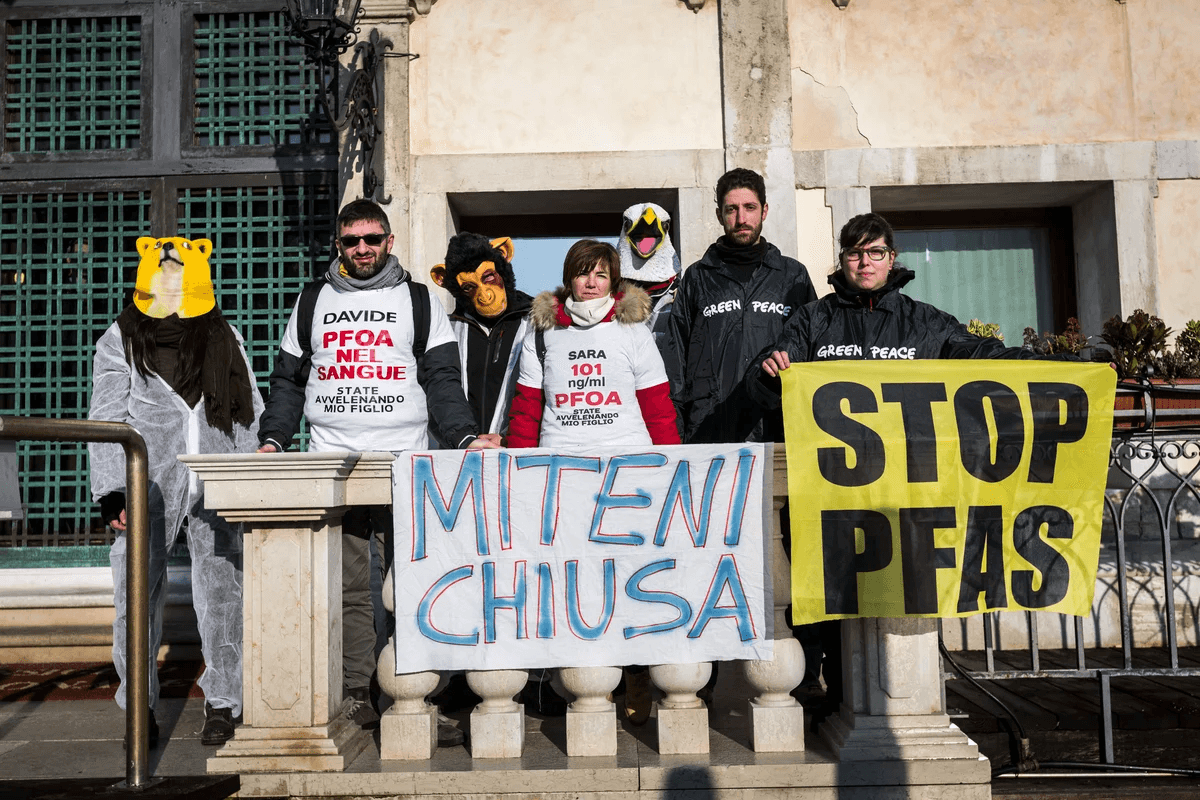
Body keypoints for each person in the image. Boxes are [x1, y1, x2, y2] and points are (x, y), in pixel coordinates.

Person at [752, 211, 1077, 725]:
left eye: (875, 252)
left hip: (902, 494)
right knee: (828, 600)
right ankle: (835, 706)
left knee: (900, 595)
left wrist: (1057, 368)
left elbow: (978, 355)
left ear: (891, 259)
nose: (865, 262)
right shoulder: (814, 319)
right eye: (855, 253)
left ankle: (897, 712)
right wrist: (771, 369)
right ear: (842, 260)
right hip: (830, 493)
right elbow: (770, 375)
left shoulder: (922, 320)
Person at [255, 199, 499, 746]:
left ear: (389, 241)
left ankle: (412, 692)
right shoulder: (312, 298)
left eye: (371, 238)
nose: (361, 248)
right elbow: (290, 381)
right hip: (332, 462)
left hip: (402, 460)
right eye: (350, 241)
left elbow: (440, 379)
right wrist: (273, 439)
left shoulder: (419, 299)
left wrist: (463, 436)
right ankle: (359, 692)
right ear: (338, 246)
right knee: (349, 586)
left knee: (406, 582)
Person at [88, 235, 263, 748]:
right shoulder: (121, 338)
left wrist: (247, 478)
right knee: (135, 592)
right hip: (146, 482)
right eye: (160, 271)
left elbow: (246, 407)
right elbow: (105, 416)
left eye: (178, 271)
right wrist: (112, 493)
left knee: (225, 591)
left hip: (218, 478)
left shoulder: (221, 334)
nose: (170, 279)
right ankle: (138, 708)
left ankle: (223, 701)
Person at [506, 239, 680, 725]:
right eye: (583, 273)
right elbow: (525, 410)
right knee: (575, 582)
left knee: (631, 580)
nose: (591, 282)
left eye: (601, 274)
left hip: (630, 474)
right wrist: (519, 470)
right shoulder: (541, 333)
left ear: (614, 280)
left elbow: (658, 407)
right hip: (565, 478)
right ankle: (583, 676)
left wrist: (671, 466)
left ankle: (638, 672)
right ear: (569, 279)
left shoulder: (634, 331)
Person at [666, 167, 816, 446]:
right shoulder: (697, 278)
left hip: (777, 430)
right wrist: (675, 438)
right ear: (719, 215)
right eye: (731, 209)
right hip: (709, 432)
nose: (741, 218)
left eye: (749, 207)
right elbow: (675, 364)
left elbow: (812, 353)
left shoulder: (793, 276)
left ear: (765, 211)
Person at [429, 232, 533, 438]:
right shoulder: (446, 330)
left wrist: (511, 438)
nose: (484, 295)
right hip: (462, 453)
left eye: (489, 278)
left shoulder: (538, 323)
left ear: (503, 257)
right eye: (469, 287)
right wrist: (461, 439)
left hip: (520, 451)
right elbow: (436, 393)